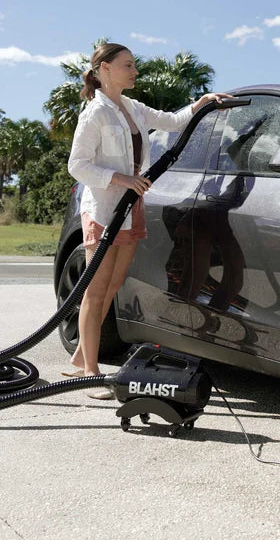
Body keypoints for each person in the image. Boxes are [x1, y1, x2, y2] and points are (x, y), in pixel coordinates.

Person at [65, 42, 232, 399]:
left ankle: (83, 353)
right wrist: (122, 179)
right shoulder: (94, 113)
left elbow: (172, 122)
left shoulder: (132, 107)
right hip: (104, 209)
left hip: (131, 208)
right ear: (104, 69)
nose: (135, 71)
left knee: (113, 285)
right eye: (128, 65)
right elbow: (76, 165)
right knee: (95, 292)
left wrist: (201, 103)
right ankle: (90, 372)